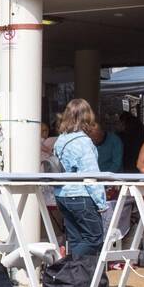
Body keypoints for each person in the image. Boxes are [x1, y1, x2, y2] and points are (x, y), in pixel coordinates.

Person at [52, 98, 107, 258]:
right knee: (94, 238)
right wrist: (101, 202)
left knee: (75, 239)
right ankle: (69, 263)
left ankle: (76, 277)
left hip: (62, 195)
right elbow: (91, 174)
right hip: (81, 196)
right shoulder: (83, 142)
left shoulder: (60, 140)